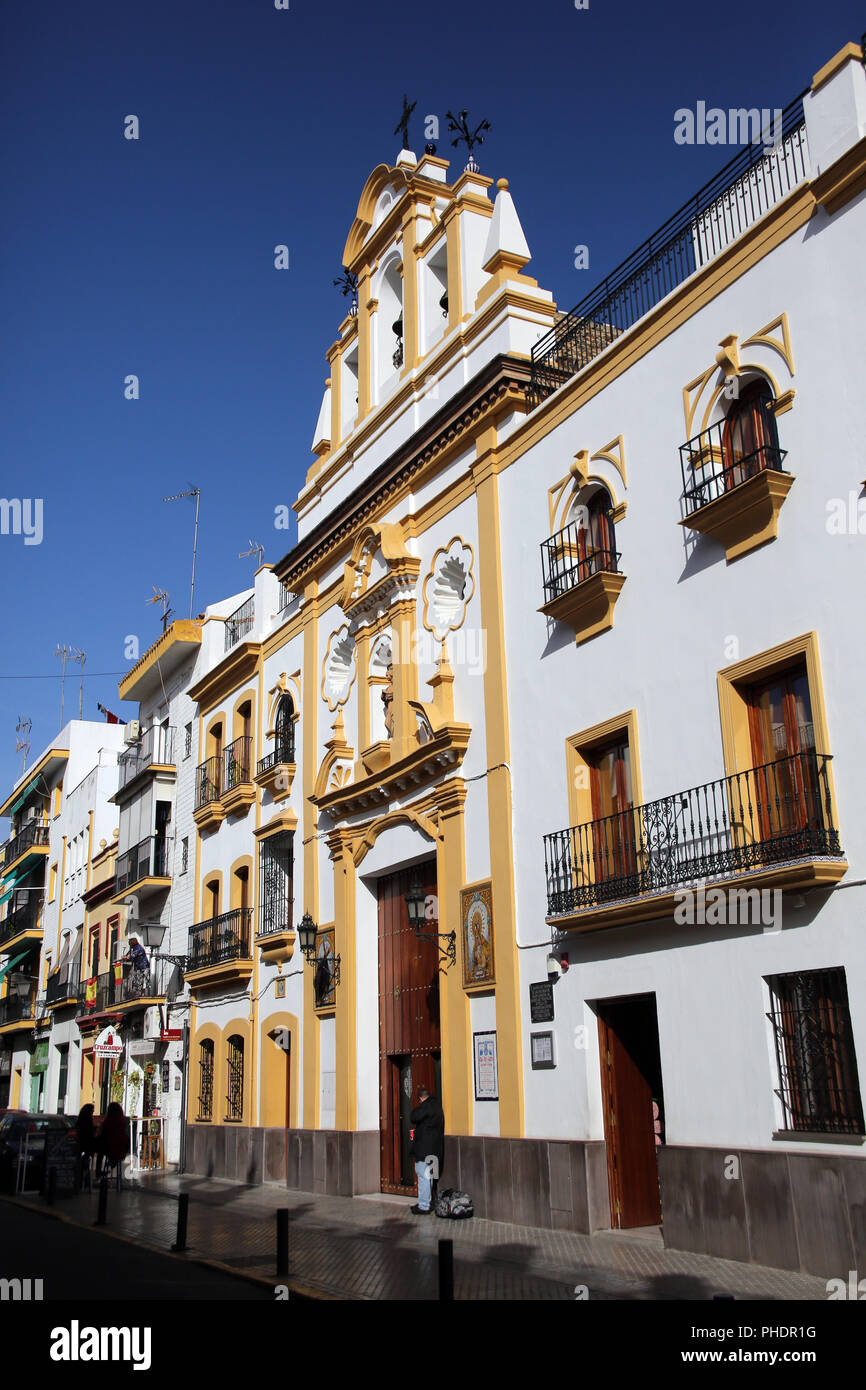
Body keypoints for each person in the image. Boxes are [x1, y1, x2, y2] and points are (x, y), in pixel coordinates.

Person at [409, 1084, 444, 1215]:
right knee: (430, 1177)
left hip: (424, 1149)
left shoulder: (426, 1106)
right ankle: (427, 1202)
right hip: (435, 1148)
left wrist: (420, 1107)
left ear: (421, 1099)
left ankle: (424, 1205)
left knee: (423, 1175)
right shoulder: (437, 1107)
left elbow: (414, 1116)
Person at [98, 1101, 129, 1189]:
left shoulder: (108, 1121)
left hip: (109, 1148)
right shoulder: (122, 1121)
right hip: (120, 1149)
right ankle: (113, 1162)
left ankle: (99, 1172)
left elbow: (103, 1135)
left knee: (100, 1151)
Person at [77, 1103, 96, 1189]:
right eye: (92, 1111)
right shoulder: (88, 1122)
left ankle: (83, 1179)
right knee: (86, 1161)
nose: (93, 1113)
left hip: (81, 1145)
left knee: (84, 1161)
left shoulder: (80, 1121)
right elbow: (91, 1135)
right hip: (87, 1145)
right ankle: (86, 1180)